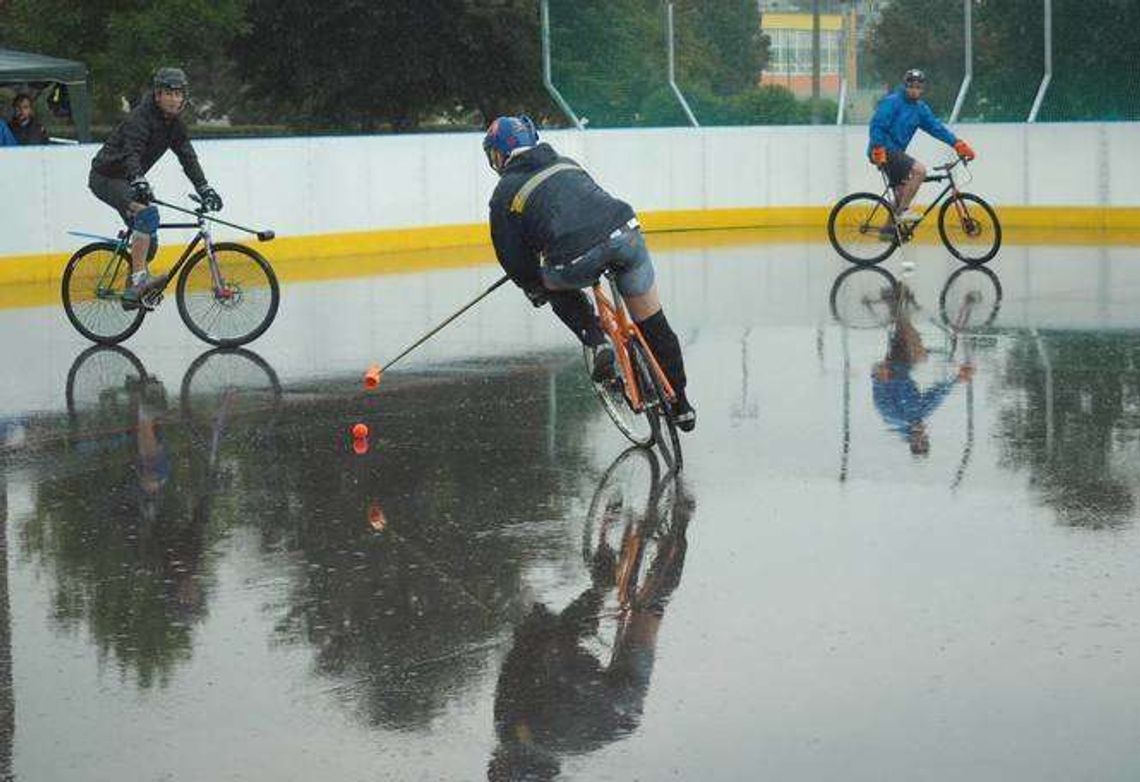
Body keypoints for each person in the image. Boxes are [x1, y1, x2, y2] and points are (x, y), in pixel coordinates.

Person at [483, 115, 695, 431]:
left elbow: (512, 257)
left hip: (575, 258)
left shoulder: (504, 194)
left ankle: (596, 341)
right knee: (653, 323)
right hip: (625, 233)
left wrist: (533, 286)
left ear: (499, 155)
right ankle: (681, 405)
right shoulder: (566, 163)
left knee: (551, 284)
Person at [88, 67, 223, 310]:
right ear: (157, 95)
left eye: (179, 94)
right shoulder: (140, 117)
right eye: (169, 94)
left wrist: (205, 188)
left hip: (129, 179)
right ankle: (140, 281)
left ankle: (133, 289)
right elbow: (132, 153)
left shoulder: (175, 125)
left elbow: (188, 158)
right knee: (147, 214)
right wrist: (139, 179)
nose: (174, 99)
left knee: (150, 244)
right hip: (106, 176)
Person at [871, 281, 974, 455]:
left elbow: (880, 400)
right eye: (924, 439)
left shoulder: (895, 418)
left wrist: (881, 378)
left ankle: (893, 300)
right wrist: (957, 379)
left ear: (912, 440)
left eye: (919, 440)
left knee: (912, 339)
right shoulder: (920, 414)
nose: (922, 435)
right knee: (913, 344)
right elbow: (937, 394)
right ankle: (895, 302)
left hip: (890, 370)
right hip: (903, 367)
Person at [868, 69, 976, 227]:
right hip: (882, 149)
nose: (915, 90)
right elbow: (877, 126)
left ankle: (888, 232)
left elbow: (936, 128)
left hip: (897, 153)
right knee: (920, 171)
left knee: (901, 195)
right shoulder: (892, 102)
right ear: (905, 86)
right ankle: (903, 211)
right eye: (911, 86)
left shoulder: (920, 109)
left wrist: (957, 144)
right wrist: (878, 148)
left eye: (919, 87)